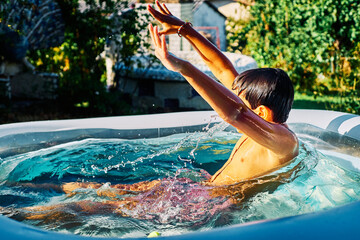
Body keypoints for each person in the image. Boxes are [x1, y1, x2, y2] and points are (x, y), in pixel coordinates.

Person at [147, 1, 299, 186]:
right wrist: (183, 29)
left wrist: (183, 68)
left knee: (115, 204)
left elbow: (236, 113)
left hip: (222, 207)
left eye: (237, 100)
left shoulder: (284, 143)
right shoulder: (259, 122)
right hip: (207, 191)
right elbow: (222, 69)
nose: (232, 98)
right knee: (117, 193)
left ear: (260, 112)